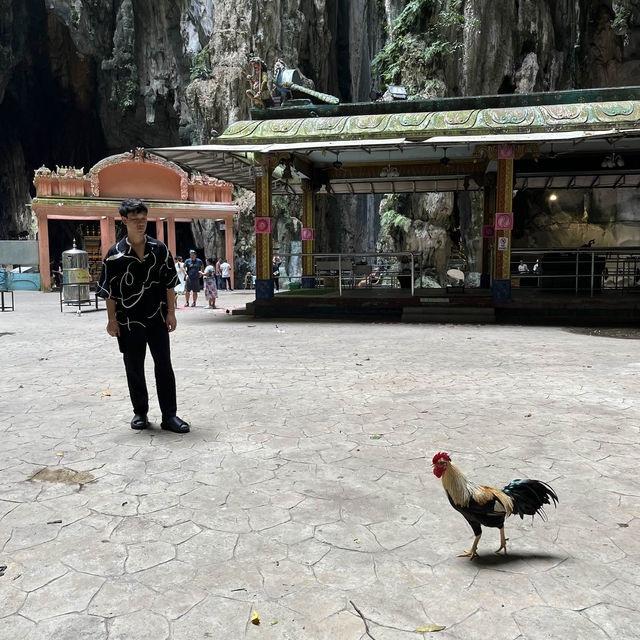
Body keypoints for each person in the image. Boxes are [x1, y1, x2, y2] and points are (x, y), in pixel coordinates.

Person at [97, 198, 189, 434]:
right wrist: (111, 320)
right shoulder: (114, 255)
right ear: (124, 220)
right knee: (134, 367)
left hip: (157, 317)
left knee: (164, 366)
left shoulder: (159, 249)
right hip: (128, 321)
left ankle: (170, 415)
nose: (140, 223)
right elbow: (110, 292)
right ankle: (140, 412)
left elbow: (170, 283)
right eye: (135, 219)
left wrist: (171, 313)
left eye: (143, 219)